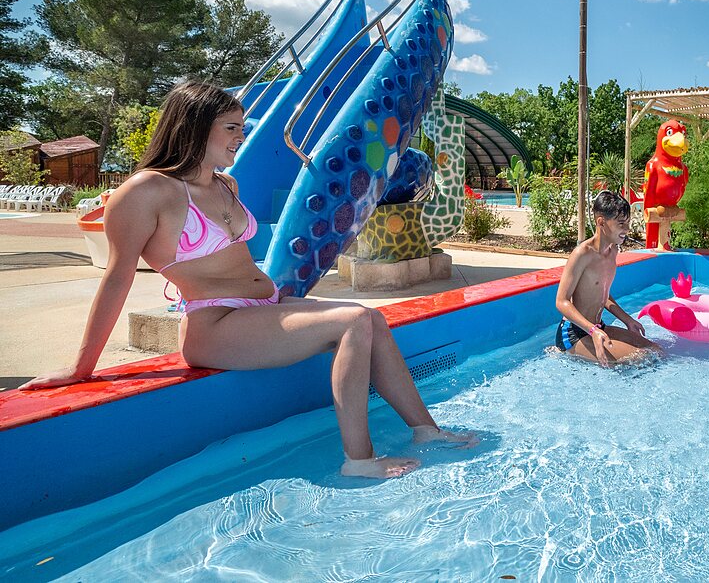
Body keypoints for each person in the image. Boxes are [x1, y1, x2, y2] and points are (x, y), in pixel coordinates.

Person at [20, 81, 470, 479]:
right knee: (352, 321)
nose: (243, 135)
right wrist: (82, 368)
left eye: (241, 126)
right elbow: (116, 279)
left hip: (264, 307)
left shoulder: (225, 185)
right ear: (194, 126)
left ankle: (424, 430)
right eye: (232, 127)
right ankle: (358, 457)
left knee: (371, 319)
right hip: (214, 324)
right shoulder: (146, 192)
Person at [553, 190, 661, 367]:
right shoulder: (582, 254)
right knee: (639, 360)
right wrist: (592, 330)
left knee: (656, 350)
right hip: (574, 333)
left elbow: (602, 294)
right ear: (601, 222)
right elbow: (561, 301)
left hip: (598, 328)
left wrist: (627, 319)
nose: (626, 230)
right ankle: (563, 351)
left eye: (627, 223)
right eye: (621, 224)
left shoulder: (613, 251)